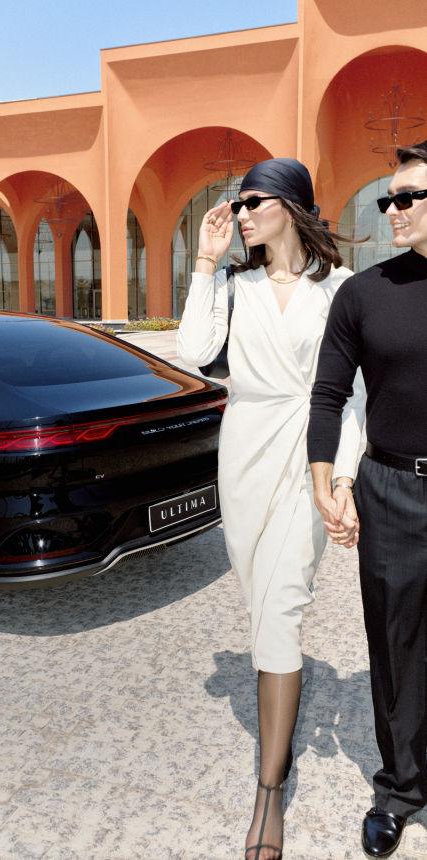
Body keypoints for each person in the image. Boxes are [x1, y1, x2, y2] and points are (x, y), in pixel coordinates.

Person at [177, 158, 365, 860]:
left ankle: (268, 792)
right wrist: (204, 262)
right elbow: (197, 353)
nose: (241, 214)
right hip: (244, 452)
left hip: (307, 452)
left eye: (252, 202)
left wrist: (341, 478)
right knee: (261, 608)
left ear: (289, 205)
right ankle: (276, 736)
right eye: (238, 203)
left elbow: (354, 397)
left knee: (284, 603)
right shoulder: (235, 284)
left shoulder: (340, 291)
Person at [307, 140, 427, 858]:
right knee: (396, 647)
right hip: (390, 490)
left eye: (408, 196)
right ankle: (400, 789)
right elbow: (327, 396)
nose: (392, 210)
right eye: (388, 198)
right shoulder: (363, 293)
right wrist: (330, 483)